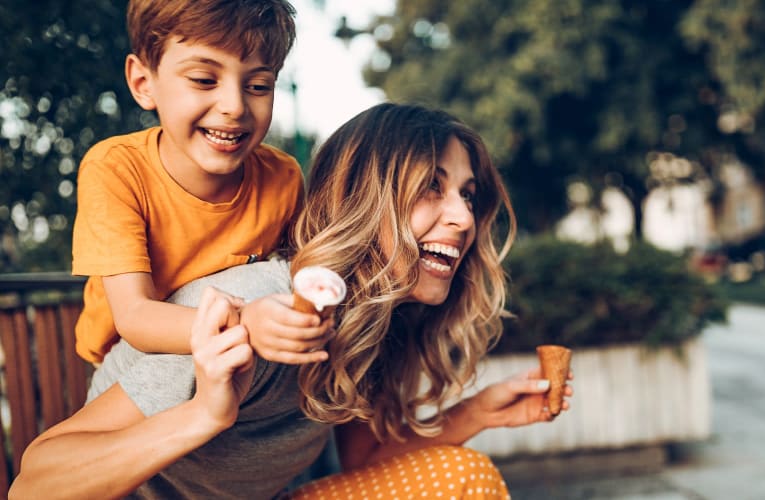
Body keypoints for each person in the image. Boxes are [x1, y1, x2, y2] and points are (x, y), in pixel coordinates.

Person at [11, 103, 571, 499]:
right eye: (432, 186)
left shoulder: (371, 323)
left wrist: (475, 412)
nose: (464, 217)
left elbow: (359, 462)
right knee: (461, 479)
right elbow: (35, 484)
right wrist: (204, 414)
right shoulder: (248, 309)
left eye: (468, 195)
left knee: (458, 474)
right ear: (362, 199)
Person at [71, 0, 329, 366]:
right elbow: (134, 316)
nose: (234, 106)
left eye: (258, 85)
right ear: (144, 84)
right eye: (204, 80)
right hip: (127, 363)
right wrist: (246, 323)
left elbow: (298, 275)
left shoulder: (282, 178)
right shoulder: (116, 169)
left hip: (221, 355)